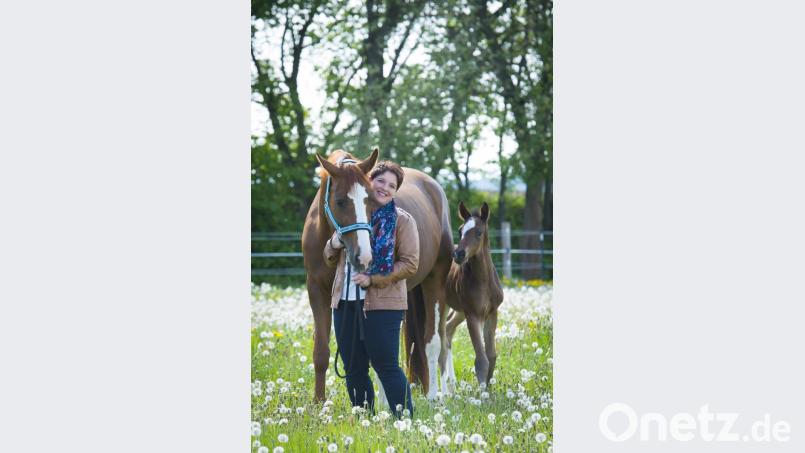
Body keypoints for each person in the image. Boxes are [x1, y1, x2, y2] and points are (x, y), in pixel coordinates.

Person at [323, 160, 418, 418]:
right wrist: (334, 241)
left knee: (386, 365)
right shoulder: (353, 213)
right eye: (380, 181)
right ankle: (364, 419)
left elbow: (410, 264)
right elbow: (329, 257)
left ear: (396, 191)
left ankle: (404, 419)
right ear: (368, 181)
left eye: (392, 185)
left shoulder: (402, 221)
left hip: (384, 305)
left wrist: (373, 279)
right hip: (344, 301)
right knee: (353, 368)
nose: (385, 188)